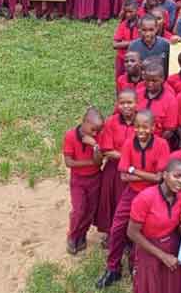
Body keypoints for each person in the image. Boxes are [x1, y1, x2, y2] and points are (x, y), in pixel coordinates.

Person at [97, 110, 171, 289]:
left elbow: (159, 178)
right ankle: (113, 267)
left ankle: (134, 265)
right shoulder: (129, 143)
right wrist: (147, 175)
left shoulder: (162, 144)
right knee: (116, 228)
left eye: (145, 127)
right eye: (137, 127)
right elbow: (124, 176)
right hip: (131, 193)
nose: (140, 130)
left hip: (152, 195)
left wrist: (133, 170)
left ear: (153, 127)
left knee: (142, 232)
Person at [127, 160, 181, 293]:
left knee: (170, 286)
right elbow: (132, 233)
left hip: (172, 246)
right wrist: (163, 256)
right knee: (151, 285)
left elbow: (177, 229)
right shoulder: (145, 198)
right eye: (177, 176)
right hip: (149, 248)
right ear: (165, 175)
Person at [97, 89, 137, 238]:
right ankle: (111, 234)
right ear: (117, 105)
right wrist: (129, 157)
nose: (126, 106)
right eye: (122, 103)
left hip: (134, 173)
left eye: (130, 102)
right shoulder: (111, 122)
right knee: (111, 201)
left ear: (136, 103)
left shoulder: (141, 122)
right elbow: (107, 150)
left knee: (128, 205)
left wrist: (121, 155)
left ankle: (128, 236)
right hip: (113, 171)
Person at [63, 107, 104, 254]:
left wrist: (95, 145)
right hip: (78, 180)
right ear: (85, 122)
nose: (95, 133)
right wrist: (91, 162)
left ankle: (82, 234)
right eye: (93, 130)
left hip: (95, 178)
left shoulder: (97, 137)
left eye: (98, 131)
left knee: (90, 210)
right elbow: (69, 162)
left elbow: (99, 162)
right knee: (79, 210)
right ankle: (72, 236)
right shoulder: (70, 136)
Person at [136, 62, 178, 142]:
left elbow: (169, 130)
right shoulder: (137, 94)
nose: (150, 84)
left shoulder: (170, 100)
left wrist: (153, 143)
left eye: (154, 81)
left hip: (157, 142)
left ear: (162, 79)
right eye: (147, 80)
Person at [112, 0, 139, 77]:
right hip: (122, 57)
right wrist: (133, 42)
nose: (128, 14)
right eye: (126, 12)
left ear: (137, 10)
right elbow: (115, 44)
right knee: (120, 77)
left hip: (137, 58)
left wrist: (123, 43)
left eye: (131, 12)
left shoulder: (142, 24)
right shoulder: (123, 25)